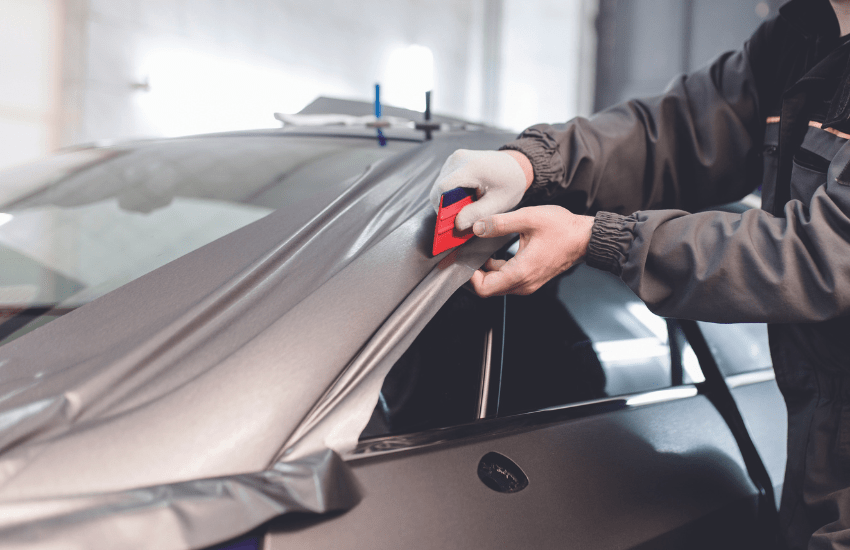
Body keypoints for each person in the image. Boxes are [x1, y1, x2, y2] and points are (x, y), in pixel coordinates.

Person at [429, 1, 850, 548]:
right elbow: (677, 132)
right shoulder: (801, 36)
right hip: (820, 439)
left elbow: (824, 251)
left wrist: (600, 238)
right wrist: (535, 164)